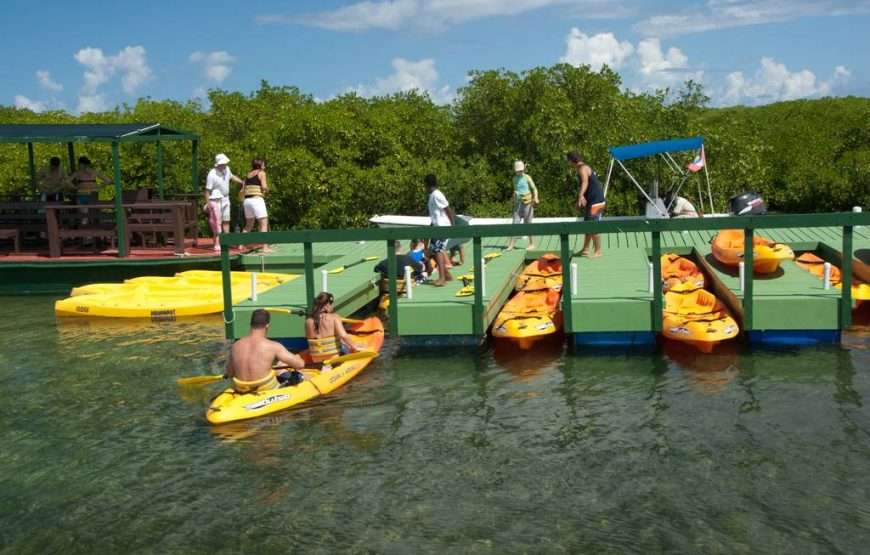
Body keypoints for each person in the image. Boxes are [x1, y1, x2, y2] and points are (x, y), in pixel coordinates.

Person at [225, 309, 305, 393]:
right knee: (299, 376)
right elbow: (300, 365)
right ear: (267, 325)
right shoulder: (273, 346)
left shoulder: (236, 345)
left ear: (251, 324)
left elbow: (230, 372)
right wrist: (297, 357)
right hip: (265, 389)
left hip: (241, 389)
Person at [567, 151, 605, 257]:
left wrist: (580, 196)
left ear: (571, 160)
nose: (568, 163)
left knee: (592, 225)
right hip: (593, 200)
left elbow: (585, 182)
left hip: (596, 201)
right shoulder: (583, 167)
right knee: (587, 224)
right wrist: (582, 196)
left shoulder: (582, 168)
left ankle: (598, 251)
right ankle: (585, 249)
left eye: (568, 161)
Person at [305, 292, 362, 363]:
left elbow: (309, 338)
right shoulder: (334, 317)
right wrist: (355, 347)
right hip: (333, 356)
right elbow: (344, 336)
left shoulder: (308, 321)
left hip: (316, 358)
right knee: (346, 345)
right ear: (327, 305)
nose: (333, 306)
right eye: (332, 304)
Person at [205, 153, 245, 252]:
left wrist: (241, 182)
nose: (224, 165)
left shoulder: (227, 169)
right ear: (218, 164)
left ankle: (225, 242)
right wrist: (208, 204)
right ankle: (217, 243)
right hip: (215, 200)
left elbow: (232, 177)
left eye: (225, 163)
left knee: (226, 221)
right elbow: (207, 191)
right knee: (217, 223)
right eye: (223, 163)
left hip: (226, 199)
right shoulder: (212, 174)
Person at [425, 173, 454, 286]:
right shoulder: (432, 195)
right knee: (432, 251)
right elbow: (435, 214)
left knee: (438, 251)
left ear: (427, 185)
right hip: (436, 228)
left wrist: (452, 226)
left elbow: (447, 209)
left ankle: (442, 279)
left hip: (443, 227)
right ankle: (446, 275)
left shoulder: (437, 194)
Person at [506, 160, 540, 251]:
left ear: (523, 169)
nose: (520, 172)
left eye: (521, 170)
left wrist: (536, 198)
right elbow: (516, 190)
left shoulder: (527, 177)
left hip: (528, 203)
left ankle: (532, 243)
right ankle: (511, 245)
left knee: (528, 223)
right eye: (518, 170)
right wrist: (514, 195)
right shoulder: (514, 179)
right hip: (518, 204)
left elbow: (534, 189)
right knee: (515, 224)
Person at [241, 158, 273, 253]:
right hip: (257, 200)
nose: (264, 166)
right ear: (259, 165)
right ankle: (265, 247)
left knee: (248, 225)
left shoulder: (248, 174)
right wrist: (267, 189)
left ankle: (240, 244)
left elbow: (243, 188)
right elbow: (264, 186)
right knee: (263, 224)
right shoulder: (262, 173)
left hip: (247, 201)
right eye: (263, 164)